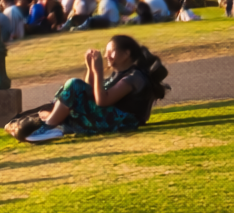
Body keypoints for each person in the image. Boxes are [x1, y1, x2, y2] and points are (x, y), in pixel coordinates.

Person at [11, 34, 169, 141]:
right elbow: (90, 91)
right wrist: (90, 68)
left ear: (126, 54)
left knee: (73, 84)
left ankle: (47, 127)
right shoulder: (120, 74)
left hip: (124, 122)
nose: (106, 55)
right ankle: (46, 123)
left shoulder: (134, 78)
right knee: (71, 92)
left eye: (110, 52)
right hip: (111, 119)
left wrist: (98, 70)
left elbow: (101, 101)